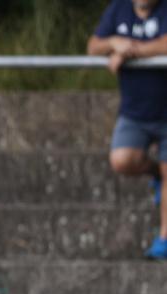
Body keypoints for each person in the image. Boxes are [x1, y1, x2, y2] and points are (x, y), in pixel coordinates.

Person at [88, 0, 167, 258]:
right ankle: (155, 172)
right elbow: (93, 46)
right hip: (135, 112)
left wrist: (131, 51)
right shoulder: (118, 9)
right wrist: (113, 43)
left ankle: (164, 240)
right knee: (121, 160)